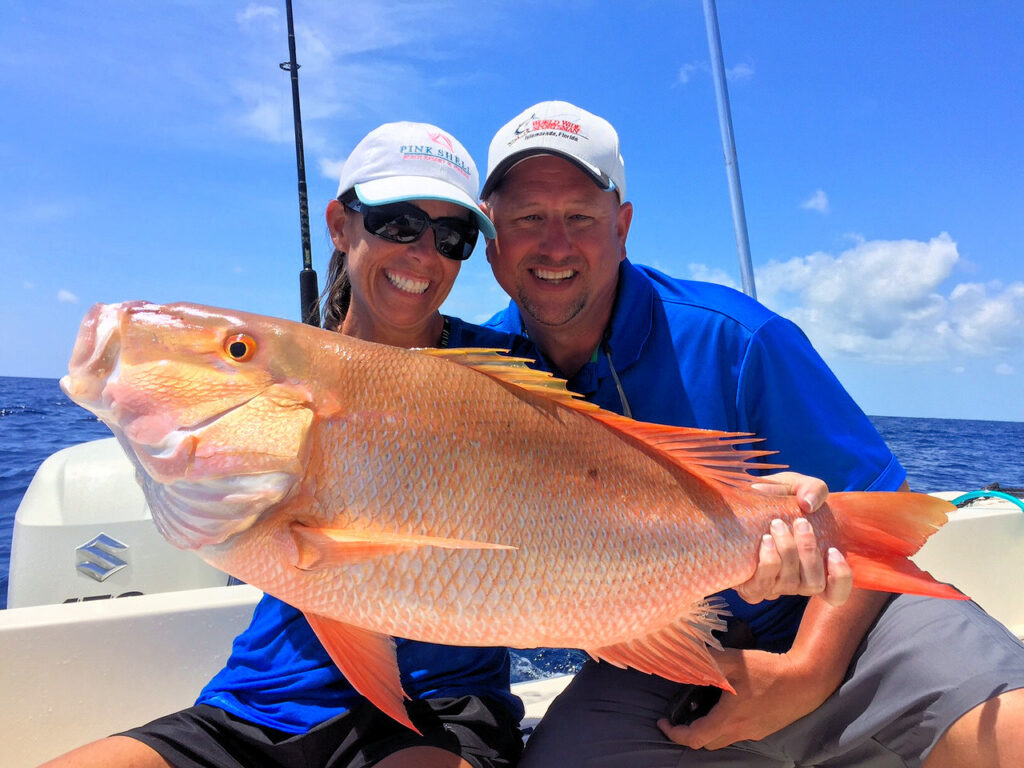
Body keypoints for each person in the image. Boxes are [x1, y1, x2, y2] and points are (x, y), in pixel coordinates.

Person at [42, 121, 844, 768]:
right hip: (253, 707)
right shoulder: (303, 368)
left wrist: (776, 511)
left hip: (436, 721)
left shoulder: (508, 371)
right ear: (340, 221)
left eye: (454, 236)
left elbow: (609, 467)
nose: (423, 254)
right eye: (397, 223)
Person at [478, 99, 1024, 767]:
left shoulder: (741, 339)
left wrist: (806, 673)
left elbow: (872, 512)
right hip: (665, 655)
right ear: (491, 237)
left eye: (581, 218)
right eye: (529, 218)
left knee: (1010, 733)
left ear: (622, 227)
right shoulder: (477, 374)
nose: (555, 244)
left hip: (837, 617)